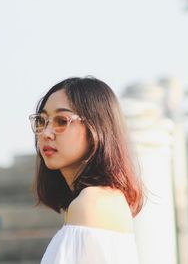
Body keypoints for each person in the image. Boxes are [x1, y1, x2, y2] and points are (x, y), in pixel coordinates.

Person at [28, 77, 144, 264]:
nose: (46, 133)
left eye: (61, 121)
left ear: (96, 127)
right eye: (42, 121)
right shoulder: (101, 198)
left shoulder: (90, 204)